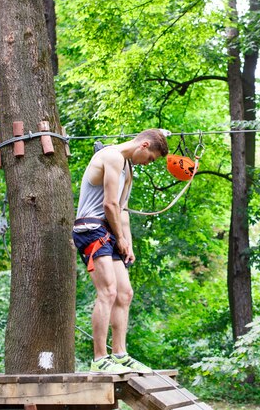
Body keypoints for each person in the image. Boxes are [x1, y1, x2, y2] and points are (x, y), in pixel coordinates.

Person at [72, 129, 169, 374]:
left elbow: (122, 209)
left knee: (125, 293)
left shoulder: (128, 168)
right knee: (108, 290)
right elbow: (109, 204)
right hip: (91, 228)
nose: (149, 163)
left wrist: (128, 243)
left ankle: (120, 354)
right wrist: (121, 239)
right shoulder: (112, 156)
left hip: (110, 231)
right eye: (151, 158)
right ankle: (99, 359)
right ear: (144, 145)